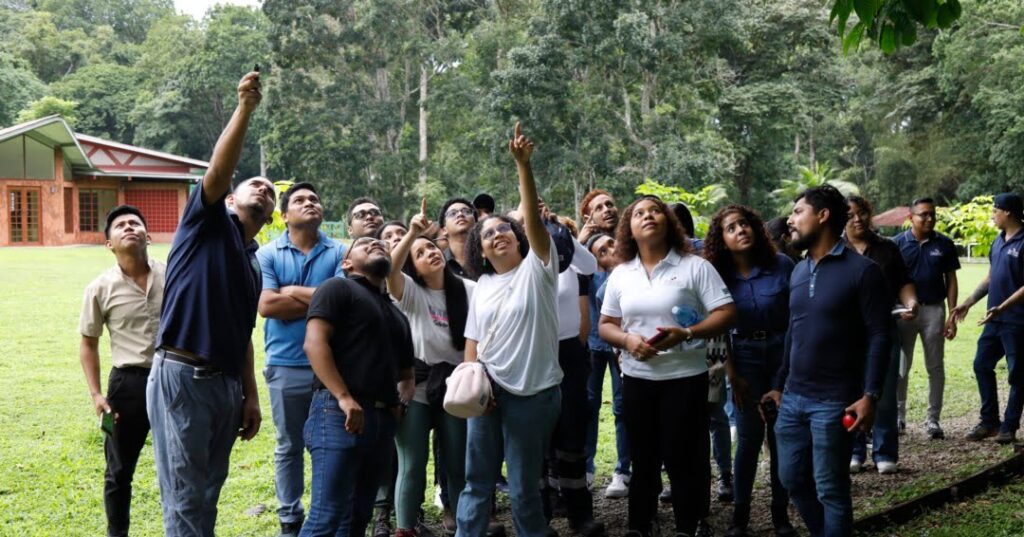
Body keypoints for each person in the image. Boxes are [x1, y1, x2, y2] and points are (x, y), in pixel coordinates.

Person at [148, 70, 270, 537]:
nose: (262, 190)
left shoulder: (253, 263)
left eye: (270, 191)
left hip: (225, 388)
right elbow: (218, 172)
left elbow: (243, 334)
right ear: (232, 196)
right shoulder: (206, 222)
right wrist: (244, 107)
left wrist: (250, 395)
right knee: (183, 495)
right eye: (254, 184)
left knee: (207, 491)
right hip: (182, 374)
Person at [599, 196, 737, 537]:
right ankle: (640, 526)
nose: (647, 216)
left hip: (685, 377)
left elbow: (726, 313)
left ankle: (688, 527)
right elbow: (606, 324)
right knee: (643, 458)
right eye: (639, 213)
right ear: (628, 228)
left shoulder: (694, 267)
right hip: (637, 378)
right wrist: (628, 341)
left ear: (668, 222)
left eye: (655, 211)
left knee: (683, 457)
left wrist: (688, 332)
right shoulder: (621, 274)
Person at [763, 185, 891, 537]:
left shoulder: (863, 271)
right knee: (792, 479)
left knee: (831, 489)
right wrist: (778, 385)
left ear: (822, 216)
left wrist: (870, 395)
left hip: (835, 401)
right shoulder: (799, 271)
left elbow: (881, 335)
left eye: (798, 211)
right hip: (792, 399)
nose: (790, 220)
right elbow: (794, 332)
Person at [456, 123, 563, 537]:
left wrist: (524, 166)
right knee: (476, 484)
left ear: (518, 238)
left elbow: (534, 221)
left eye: (503, 229)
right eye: (487, 234)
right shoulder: (482, 285)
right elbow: (473, 342)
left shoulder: (538, 269)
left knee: (522, 489)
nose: (497, 235)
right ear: (479, 250)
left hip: (533, 395)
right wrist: (473, 388)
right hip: (487, 396)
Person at [301, 236, 416, 536]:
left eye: (381, 244)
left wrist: (398, 406)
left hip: (380, 422)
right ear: (347, 262)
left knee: (357, 518)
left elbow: (407, 372)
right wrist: (343, 397)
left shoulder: (397, 314)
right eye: (365, 244)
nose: (376, 244)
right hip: (338, 414)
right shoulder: (337, 288)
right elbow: (314, 344)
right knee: (326, 516)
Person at [256, 183, 346, 537]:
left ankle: (329, 513)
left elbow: (343, 303)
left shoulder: (340, 251)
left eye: (315, 199)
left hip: (334, 368)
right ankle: (289, 516)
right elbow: (266, 306)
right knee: (289, 445)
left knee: (331, 445)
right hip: (285, 365)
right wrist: (323, 297)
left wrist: (288, 290)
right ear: (285, 214)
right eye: (300, 200)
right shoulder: (267, 254)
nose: (310, 203)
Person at [702, 204, 795, 537]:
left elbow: (797, 319)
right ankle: (740, 516)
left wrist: (787, 374)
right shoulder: (716, 276)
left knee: (781, 435)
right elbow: (715, 329)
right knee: (749, 438)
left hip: (783, 356)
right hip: (742, 358)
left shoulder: (782, 265)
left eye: (744, 224)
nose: (740, 230)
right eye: (731, 228)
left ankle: (780, 514)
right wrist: (730, 375)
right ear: (721, 240)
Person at [385, 199, 474, 537]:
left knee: (457, 466)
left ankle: (466, 525)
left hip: (457, 386)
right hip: (417, 385)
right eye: (420, 254)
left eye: (431, 248)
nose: (430, 254)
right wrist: (411, 234)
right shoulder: (408, 293)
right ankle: (405, 529)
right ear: (414, 268)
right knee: (412, 464)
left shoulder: (468, 289)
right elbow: (390, 270)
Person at [80, 205, 165, 537]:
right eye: (120, 225)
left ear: (148, 235)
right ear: (109, 244)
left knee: (179, 465)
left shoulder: (172, 274)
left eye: (135, 223)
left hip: (172, 377)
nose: (129, 227)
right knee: (119, 470)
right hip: (127, 385)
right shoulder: (99, 288)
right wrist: (96, 394)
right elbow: (88, 343)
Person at [844, 196, 918, 475]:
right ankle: (854, 449)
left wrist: (911, 303)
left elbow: (904, 283)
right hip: (846, 332)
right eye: (850, 214)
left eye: (862, 212)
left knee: (884, 392)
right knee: (849, 390)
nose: (857, 218)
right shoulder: (836, 248)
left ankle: (885, 451)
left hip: (884, 328)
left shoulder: (887, 248)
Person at [545, 207, 603, 536]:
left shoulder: (565, 258)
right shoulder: (520, 259)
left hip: (569, 351)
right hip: (534, 351)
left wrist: (557, 227)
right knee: (539, 435)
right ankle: (541, 513)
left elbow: (591, 265)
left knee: (572, 430)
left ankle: (579, 513)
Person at [949, 193, 1024, 444]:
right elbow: (991, 278)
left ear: (1009, 213)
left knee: (1017, 374)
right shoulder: (998, 241)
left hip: (1016, 320)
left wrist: (1003, 306)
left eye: (995, 210)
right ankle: (990, 422)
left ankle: (1009, 426)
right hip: (994, 319)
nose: (992, 214)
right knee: (981, 364)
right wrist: (968, 303)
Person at [892, 197, 960, 439]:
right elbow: (891, 280)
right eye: (923, 215)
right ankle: (898, 418)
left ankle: (933, 420)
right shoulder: (897, 244)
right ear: (911, 217)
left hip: (933, 310)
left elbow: (951, 279)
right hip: (905, 313)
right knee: (901, 367)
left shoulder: (944, 243)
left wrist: (952, 314)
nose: (929, 218)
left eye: (932, 214)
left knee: (935, 366)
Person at [578, 190, 631, 500]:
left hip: (625, 343)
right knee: (589, 405)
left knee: (624, 407)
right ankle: (585, 469)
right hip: (593, 344)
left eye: (610, 203)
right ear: (590, 216)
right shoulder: (584, 254)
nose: (608, 209)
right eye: (599, 207)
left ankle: (624, 470)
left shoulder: (629, 247)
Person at [440, 197, 478, 279]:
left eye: (466, 211)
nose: (460, 214)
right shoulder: (439, 262)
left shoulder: (488, 257)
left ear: (476, 224)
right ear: (444, 230)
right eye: (452, 213)